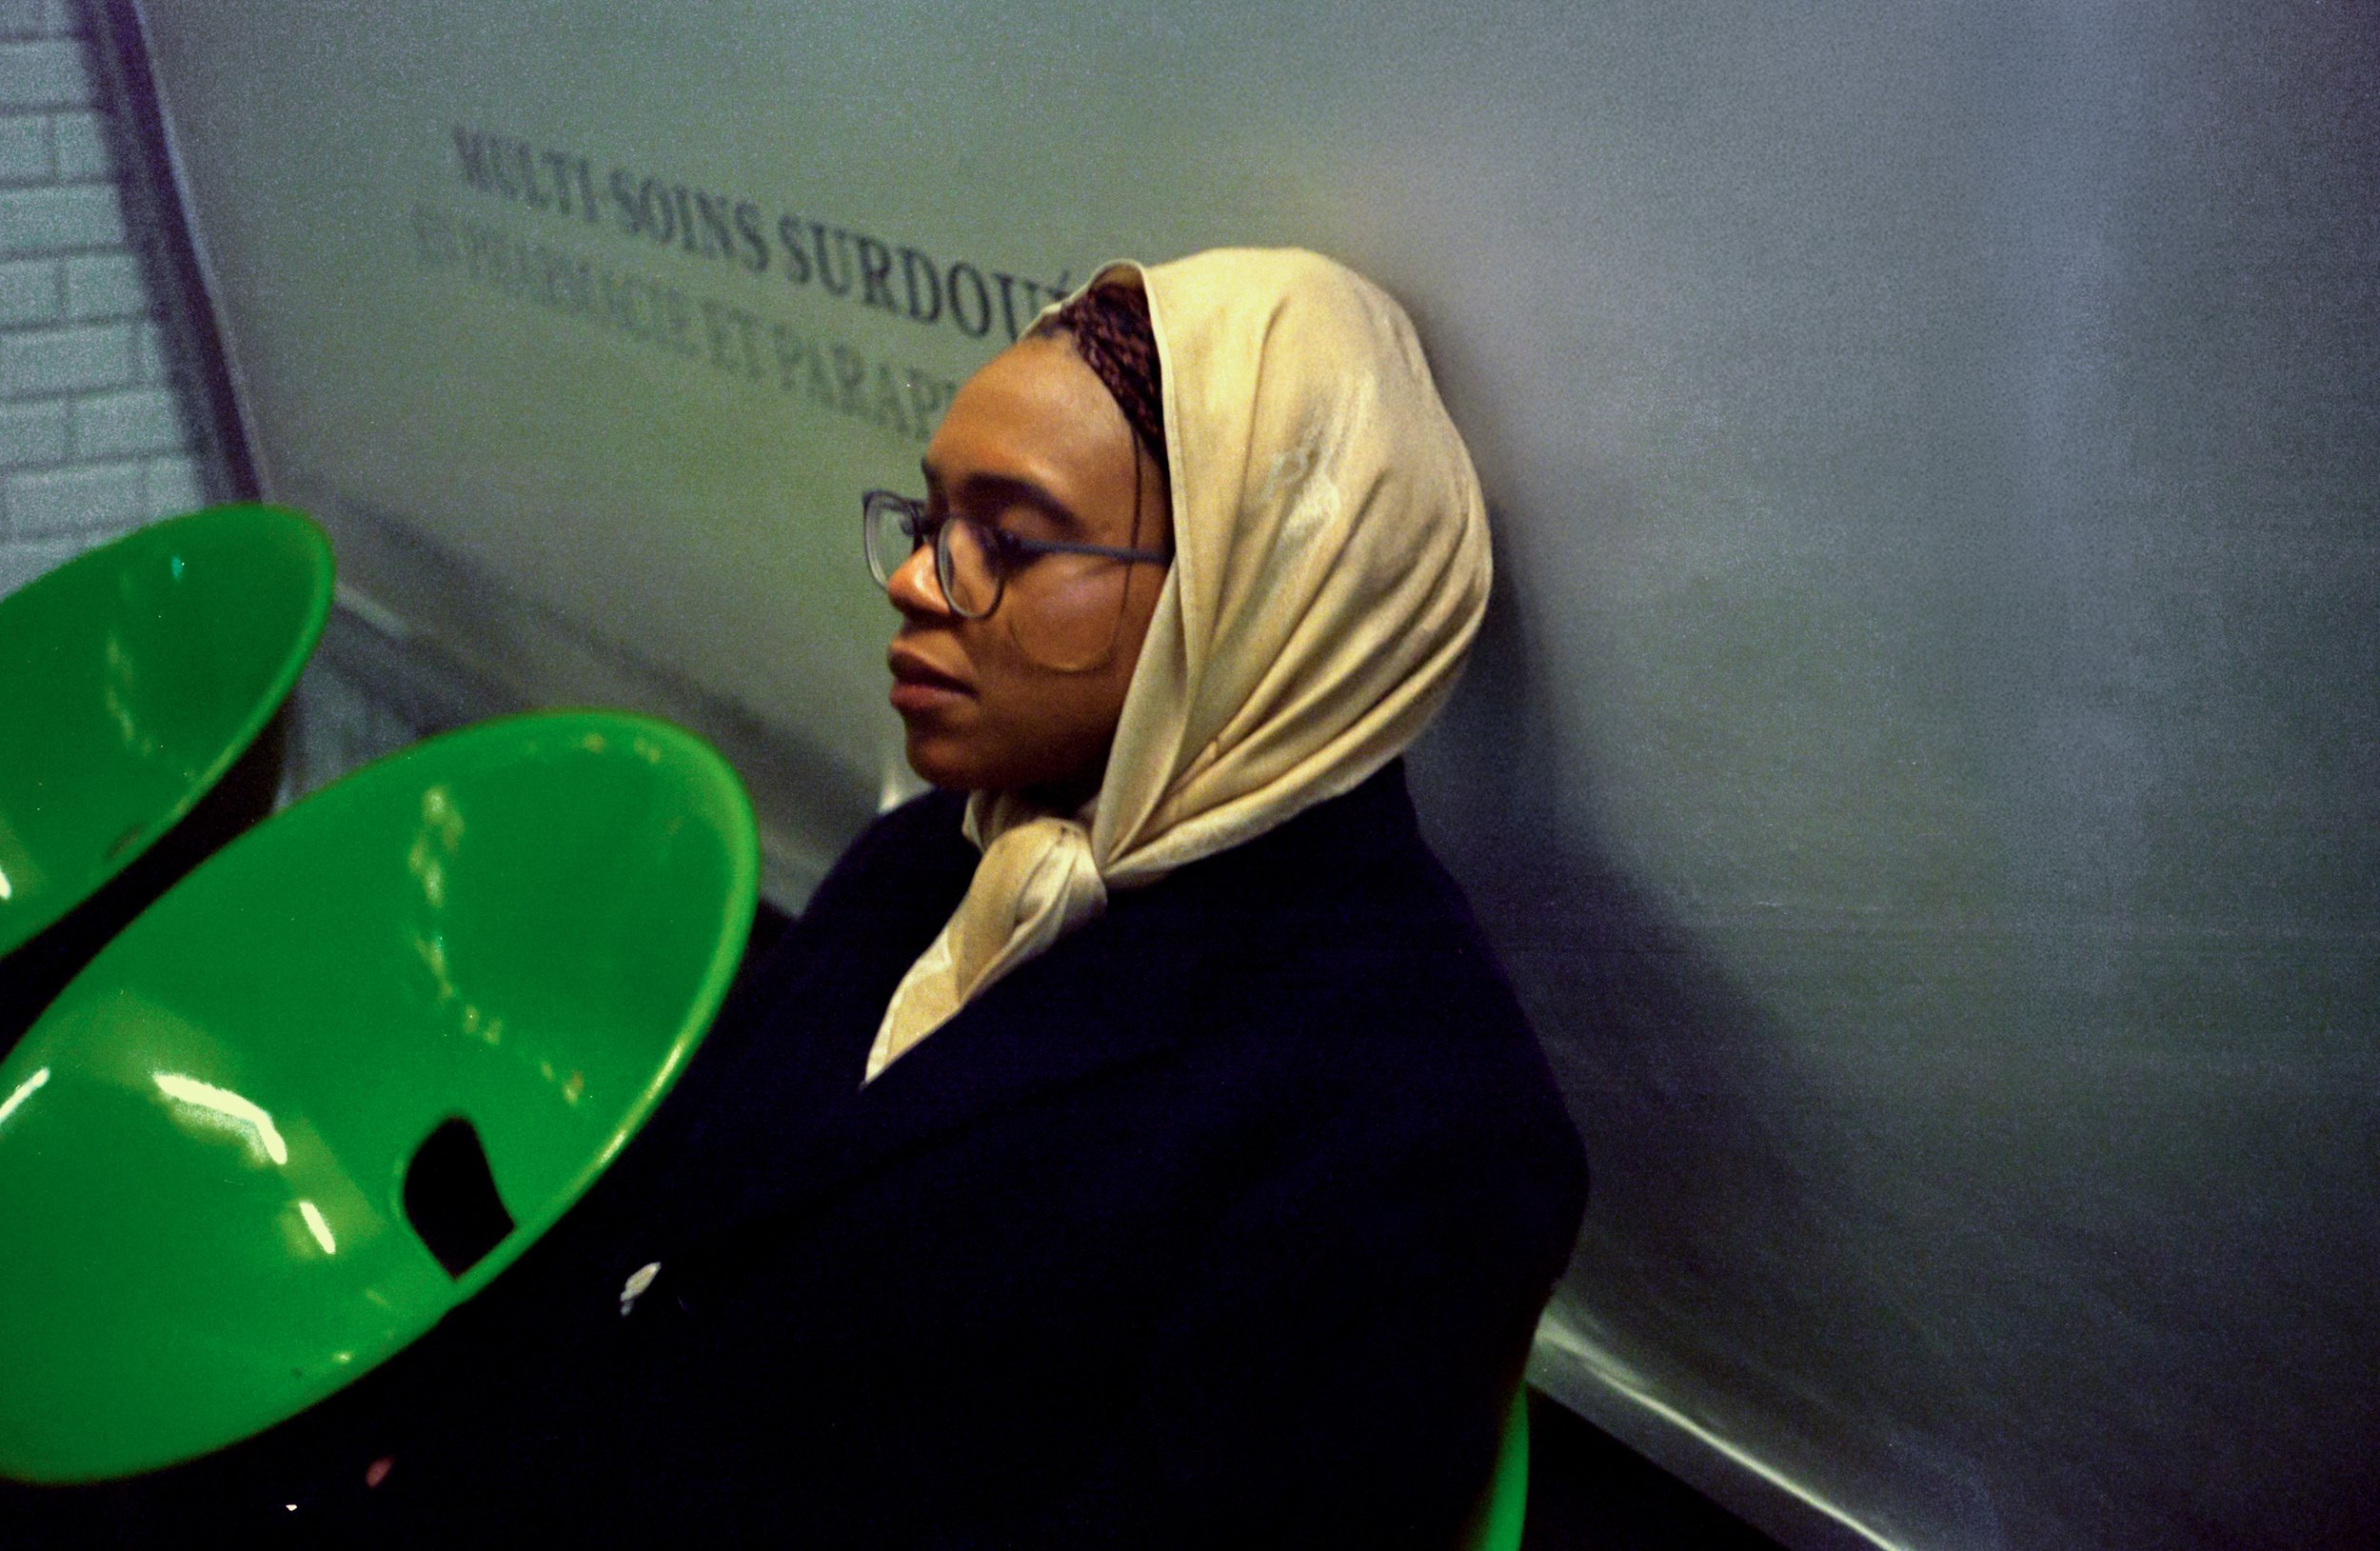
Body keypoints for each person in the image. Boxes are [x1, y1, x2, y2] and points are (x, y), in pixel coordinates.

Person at [237, 248, 1587, 1544]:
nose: (912, 578)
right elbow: (687, 1239)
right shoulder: (941, 852)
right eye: (933, 519)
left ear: (1257, 600)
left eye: (1010, 539)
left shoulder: (1423, 1122)